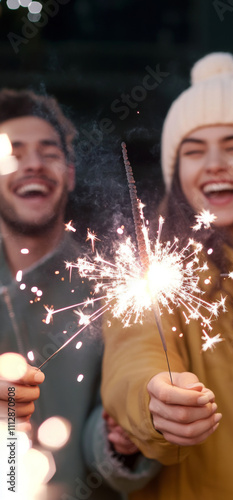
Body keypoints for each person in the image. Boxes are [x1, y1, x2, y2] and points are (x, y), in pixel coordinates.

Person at [101, 52, 233, 500]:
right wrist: (155, 401)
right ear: (176, 172)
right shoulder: (156, 273)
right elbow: (135, 354)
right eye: (195, 151)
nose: (215, 163)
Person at [0, 89, 160, 500]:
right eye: (13, 153)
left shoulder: (115, 288)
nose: (33, 164)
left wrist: (121, 438)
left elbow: (109, 430)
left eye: (48, 152)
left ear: (70, 174)